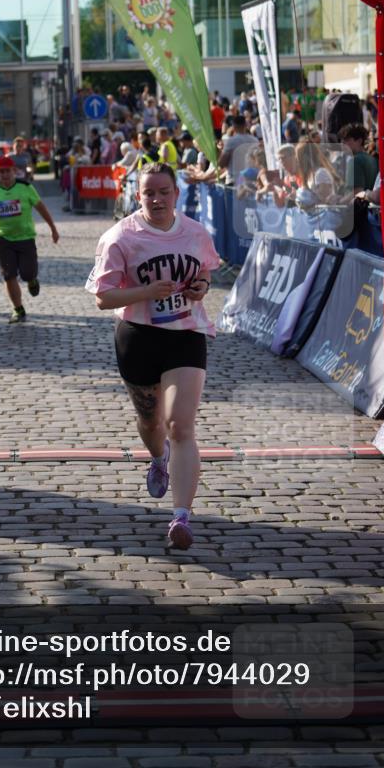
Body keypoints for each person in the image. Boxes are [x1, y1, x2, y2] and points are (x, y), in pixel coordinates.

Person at [86, 162, 220, 550]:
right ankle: (157, 458)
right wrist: (146, 292)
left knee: (180, 425)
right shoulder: (120, 238)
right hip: (138, 337)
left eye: (164, 191)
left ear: (176, 194)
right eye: (149, 193)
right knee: (150, 421)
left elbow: (207, 271)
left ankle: (181, 517)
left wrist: (200, 286)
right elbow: (102, 297)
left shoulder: (195, 233)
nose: (157, 199)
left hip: (185, 335)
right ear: (137, 195)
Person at [0, 156, 59, 323]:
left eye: (7, 171)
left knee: (27, 272)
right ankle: (18, 309)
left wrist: (53, 228)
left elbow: (41, 208)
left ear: (14, 171)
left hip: (25, 238)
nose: (4, 174)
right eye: (1, 171)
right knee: (8, 275)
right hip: (4, 240)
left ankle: (32, 279)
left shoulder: (25, 187)